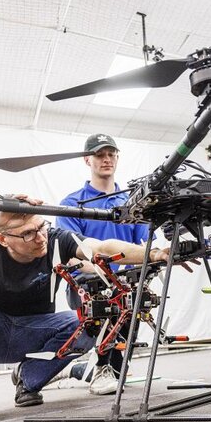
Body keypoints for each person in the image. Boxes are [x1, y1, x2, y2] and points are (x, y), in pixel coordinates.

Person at [0, 196, 168, 422]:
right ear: (2, 238)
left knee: (88, 319)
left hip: (31, 334)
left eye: (41, 227)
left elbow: (102, 247)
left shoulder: (55, 240)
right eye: (28, 234)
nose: (40, 238)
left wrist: (156, 254)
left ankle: (28, 380)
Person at [55, 133, 154, 395]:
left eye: (111, 154)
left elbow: (143, 248)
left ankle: (75, 369)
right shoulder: (72, 204)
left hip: (126, 282)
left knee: (120, 366)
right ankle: (100, 367)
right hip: (88, 284)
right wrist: (111, 276)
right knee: (108, 293)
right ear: (87, 159)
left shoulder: (132, 202)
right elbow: (72, 258)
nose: (106, 159)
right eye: (100, 154)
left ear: (117, 158)